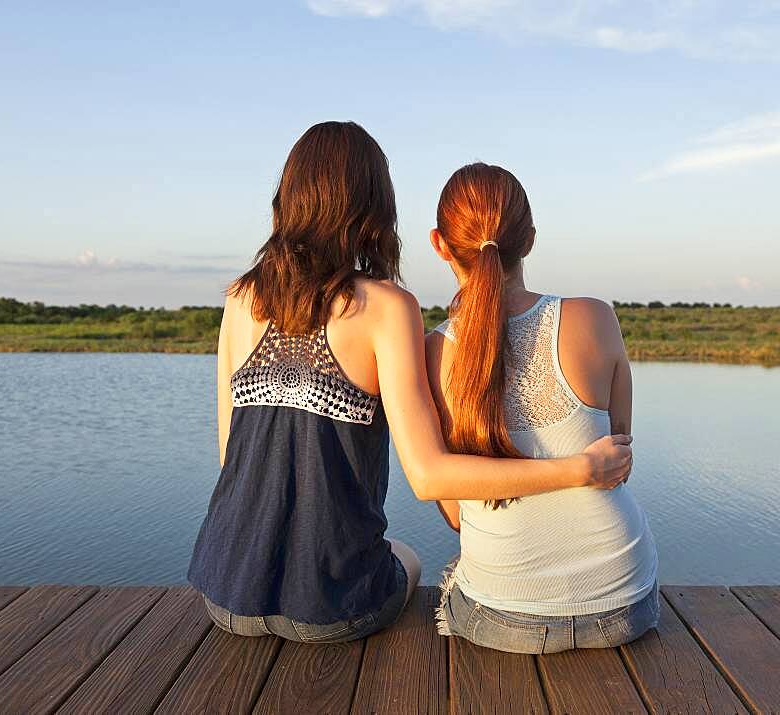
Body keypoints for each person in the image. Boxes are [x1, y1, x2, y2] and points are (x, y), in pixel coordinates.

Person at [186, 123, 635, 644]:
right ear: (374, 210)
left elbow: (230, 456)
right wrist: (579, 468)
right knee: (410, 556)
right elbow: (429, 477)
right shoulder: (387, 307)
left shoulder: (239, 299)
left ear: (287, 198)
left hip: (227, 595)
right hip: (334, 610)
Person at [425, 162, 659, 654]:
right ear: (529, 239)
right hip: (623, 603)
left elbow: (454, 513)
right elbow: (619, 463)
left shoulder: (433, 351)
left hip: (504, 614)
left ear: (440, 245)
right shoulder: (595, 317)